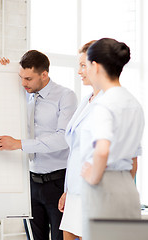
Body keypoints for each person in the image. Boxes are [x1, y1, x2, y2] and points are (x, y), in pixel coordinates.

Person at [0, 50, 78, 240]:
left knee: (60, 237)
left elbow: (63, 138)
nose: (23, 83)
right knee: (34, 237)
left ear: (44, 74)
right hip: (30, 182)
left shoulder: (66, 96)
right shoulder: (22, 94)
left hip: (57, 182)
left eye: (28, 78)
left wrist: (19, 144)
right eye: (21, 78)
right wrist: (0, 68)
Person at [79, 38, 144, 240]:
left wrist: (93, 177)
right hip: (128, 188)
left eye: (86, 65)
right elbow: (134, 160)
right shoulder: (134, 103)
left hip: (104, 187)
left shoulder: (104, 104)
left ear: (95, 66)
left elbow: (102, 150)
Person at [57, 40, 101, 240]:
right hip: (75, 191)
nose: (79, 71)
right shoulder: (87, 100)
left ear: (97, 66)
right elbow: (75, 151)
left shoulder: (110, 103)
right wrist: (67, 190)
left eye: (83, 65)